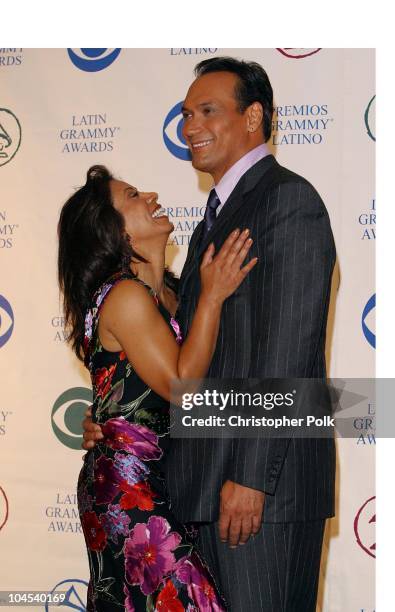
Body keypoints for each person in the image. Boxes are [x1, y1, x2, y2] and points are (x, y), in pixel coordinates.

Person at [83, 56, 336, 611]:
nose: (190, 126)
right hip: (195, 491)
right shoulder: (208, 223)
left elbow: (287, 353)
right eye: (185, 113)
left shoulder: (288, 201)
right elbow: (180, 361)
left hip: (259, 494)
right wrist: (114, 419)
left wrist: (251, 478)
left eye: (207, 110)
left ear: (254, 118)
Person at [58, 164, 257, 611]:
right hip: (128, 489)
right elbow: (182, 387)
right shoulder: (124, 295)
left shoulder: (169, 291)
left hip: (165, 480)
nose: (149, 195)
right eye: (131, 196)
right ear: (112, 230)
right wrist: (212, 297)